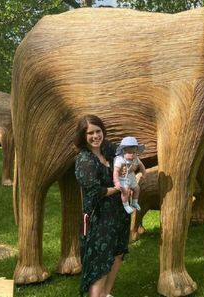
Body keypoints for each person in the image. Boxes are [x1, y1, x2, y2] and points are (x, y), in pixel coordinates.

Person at [74, 114, 130, 297]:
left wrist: (127, 169)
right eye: (90, 133)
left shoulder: (110, 149)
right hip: (99, 218)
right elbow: (94, 192)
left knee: (117, 253)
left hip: (119, 214)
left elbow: (128, 156)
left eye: (98, 131)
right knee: (100, 261)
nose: (95, 136)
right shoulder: (84, 160)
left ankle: (106, 293)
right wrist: (117, 187)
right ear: (83, 136)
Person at [113, 136, 146, 214]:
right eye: (129, 152)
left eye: (134, 152)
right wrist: (117, 182)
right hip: (123, 178)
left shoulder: (136, 158)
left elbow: (141, 165)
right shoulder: (119, 159)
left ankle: (134, 202)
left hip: (131, 176)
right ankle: (126, 205)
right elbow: (116, 171)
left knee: (137, 188)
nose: (132, 155)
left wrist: (144, 173)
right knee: (125, 191)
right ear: (123, 151)